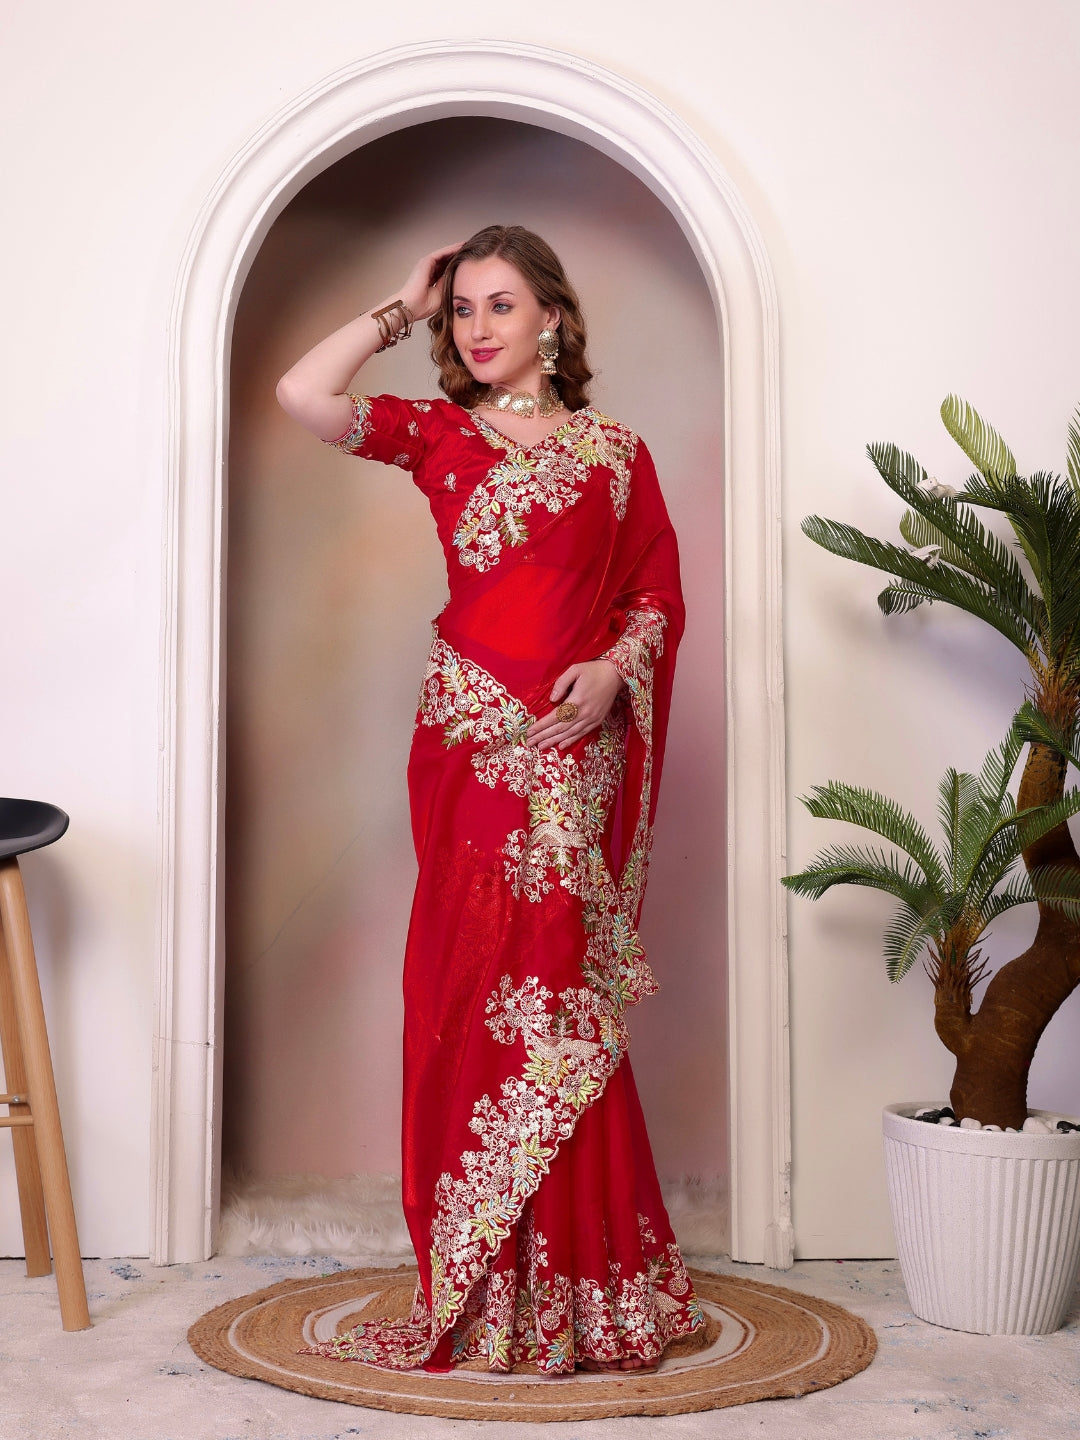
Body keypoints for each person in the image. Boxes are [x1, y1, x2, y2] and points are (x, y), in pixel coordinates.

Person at [276, 224, 702, 1375]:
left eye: (499, 304)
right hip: (468, 747)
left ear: (553, 316)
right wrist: (398, 308)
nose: (477, 327)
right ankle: (479, 1281)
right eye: (463, 308)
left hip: (570, 747)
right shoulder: (440, 435)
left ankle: (576, 1283)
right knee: (468, 987)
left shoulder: (618, 455)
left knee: (556, 992)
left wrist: (613, 671)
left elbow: (657, 594)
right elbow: (303, 395)